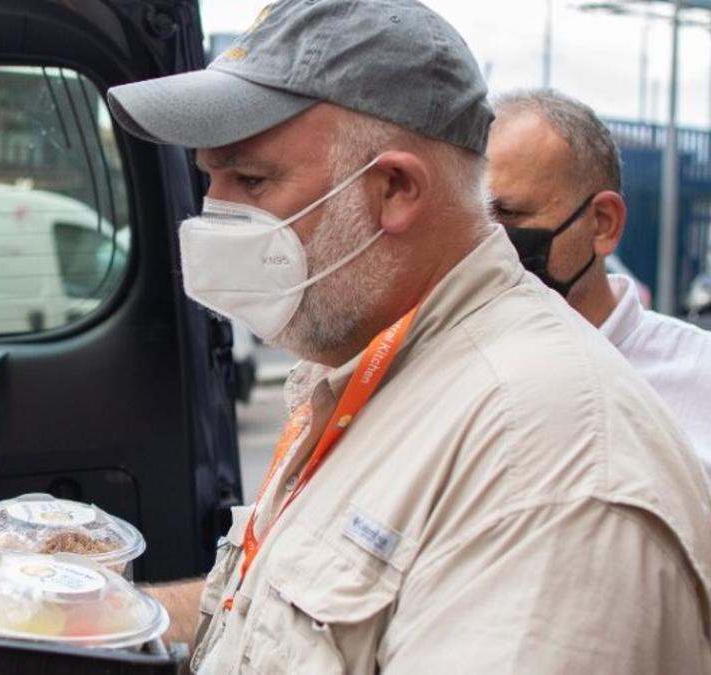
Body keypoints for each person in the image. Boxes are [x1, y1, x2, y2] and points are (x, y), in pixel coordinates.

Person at [107, 0, 711, 672]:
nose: (213, 212)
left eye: (251, 179)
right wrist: (82, 614)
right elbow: (249, 614)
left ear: (395, 188)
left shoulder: (543, 467)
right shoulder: (358, 367)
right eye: (208, 177)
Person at [488, 89, 711, 481]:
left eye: (508, 213)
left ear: (603, 223)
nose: (485, 240)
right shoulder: (428, 362)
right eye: (471, 218)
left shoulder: (698, 379)